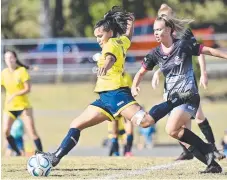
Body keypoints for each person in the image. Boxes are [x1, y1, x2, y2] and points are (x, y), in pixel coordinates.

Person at [37, 6, 195, 168]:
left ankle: (176, 99)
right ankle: (55, 157)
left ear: (110, 32)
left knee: (146, 121)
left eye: (100, 35)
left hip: (116, 93)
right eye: (96, 36)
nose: (98, 39)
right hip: (105, 97)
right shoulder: (120, 41)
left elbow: (110, 57)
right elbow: (128, 36)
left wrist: (106, 64)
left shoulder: (110, 45)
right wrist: (131, 23)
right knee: (76, 124)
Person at [131, 12, 227, 173]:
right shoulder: (155, 53)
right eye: (154, 30)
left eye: (159, 29)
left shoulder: (183, 45)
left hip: (189, 96)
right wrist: (134, 86)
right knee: (179, 135)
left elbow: (208, 50)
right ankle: (212, 164)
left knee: (171, 129)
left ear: (169, 29)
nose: (156, 33)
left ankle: (208, 149)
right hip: (174, 99)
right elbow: (140, 72)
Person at [152, 3, 226, 161]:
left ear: (171, 17)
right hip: (172, 84)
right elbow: (166, 59)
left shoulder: (183, 32)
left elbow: (199, 51)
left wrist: (204, 72)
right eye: (160, 17)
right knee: (178, 123)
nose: (162, 20)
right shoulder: (162, 35)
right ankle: (191, 152)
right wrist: (157, 72)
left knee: (198, 115)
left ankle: (212, 148)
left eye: (166, 16)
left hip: (187, 83)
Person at [1, 50, 43, 156]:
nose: (9, 60)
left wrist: (15, 94)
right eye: (6, 58)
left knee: (32, 132)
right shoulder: (4, 73)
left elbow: (28, 89)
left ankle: (41, 154)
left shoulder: (22, 71)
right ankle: (18, 152)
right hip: (9, 107)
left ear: (15, 58)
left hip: (23, 107)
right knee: (6, 131)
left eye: (11, 57)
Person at [108, 71, 134, 157]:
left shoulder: (127, 76)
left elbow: (130, 91)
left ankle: (127, 151)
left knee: (129, 130)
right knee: (114, 132)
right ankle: (116, 153)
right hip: (114, 106)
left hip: (126, 105)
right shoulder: (111, 76)